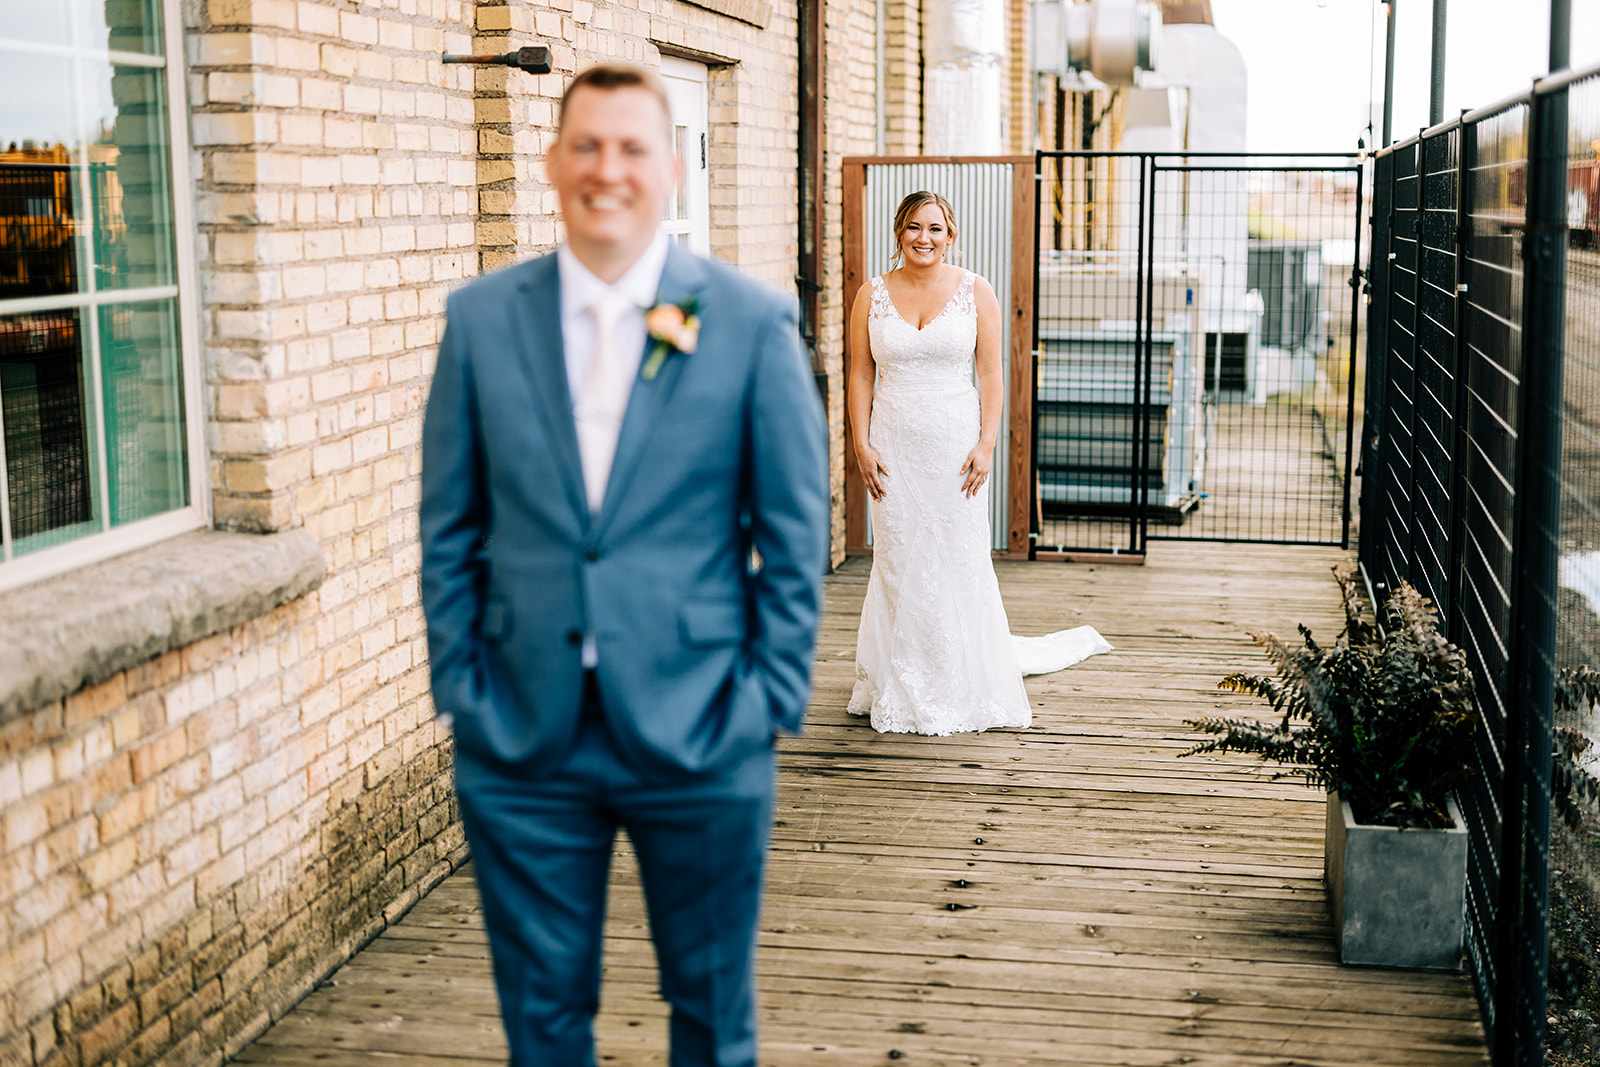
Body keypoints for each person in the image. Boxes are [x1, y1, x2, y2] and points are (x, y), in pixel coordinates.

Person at [419, 62, 828, 1067]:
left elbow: (795, 528)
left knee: (711, 1017)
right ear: (553, 163)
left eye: (633, 147)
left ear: (673, 172)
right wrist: (464, 687)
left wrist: (767, 697)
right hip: (522, 735)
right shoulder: (480, 321)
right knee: (544, 1026)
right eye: (587, 145)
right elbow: (447, 525)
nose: (609, 169)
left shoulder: (748, 322)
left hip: (704, 727)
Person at [845, 190, 1109, 736]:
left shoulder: (974, 291)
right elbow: (859, 375)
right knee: (897, 559)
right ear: (899, 233)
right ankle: (901, 680)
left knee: (957, 555)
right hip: (892, 446)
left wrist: (987, 443)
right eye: (915, 227)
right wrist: (861, 445)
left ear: (952, 235)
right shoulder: (870, 294)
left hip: (955, 446)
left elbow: (992, 374)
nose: (924, 238)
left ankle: (960, 678)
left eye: (936, 229)